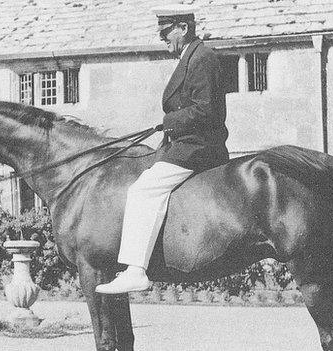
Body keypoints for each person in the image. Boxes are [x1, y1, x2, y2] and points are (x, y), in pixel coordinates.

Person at [96, 4, 229, 294]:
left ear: (183, 28)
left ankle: (136, 270)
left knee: (142, 191)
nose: (162, 37)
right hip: (185, 143)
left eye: (166, 31)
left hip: (198, 148)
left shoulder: (202, 58)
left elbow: (206, 110)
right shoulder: (191, 57)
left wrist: (169, 121)